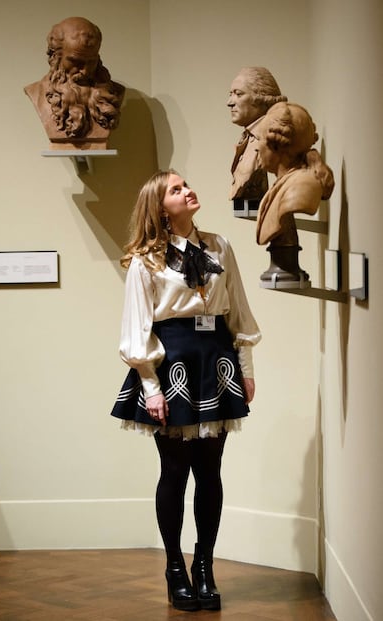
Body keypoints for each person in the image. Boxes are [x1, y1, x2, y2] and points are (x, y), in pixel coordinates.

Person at [111, 170, 261, 611]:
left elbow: (239, 309)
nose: (188, 191)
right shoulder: (145, 261)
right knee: (175, 472)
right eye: (176, 189)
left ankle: (205, 568)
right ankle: (175, 569)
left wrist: (245, 366)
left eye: (186, 185)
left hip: (216, 359)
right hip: (171, 362)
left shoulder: (220, 246)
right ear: (161, 207)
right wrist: (152, 387)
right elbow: (136, 328)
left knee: (210, 472)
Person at [254, 102, 334, 285]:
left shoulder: (302, 186)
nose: (257, 147)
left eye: (260, 139)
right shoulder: (282, 184)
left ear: (277, 145)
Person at [24, 16, 124, 147]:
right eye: (75, 61)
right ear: (56, 56)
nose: (85, 71)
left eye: (91, 62)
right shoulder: (36, 92)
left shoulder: (114, 93)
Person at [227, 67, 287, 206]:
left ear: (261, 98)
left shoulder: (274, 140)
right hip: (249, 204)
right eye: (230, 94)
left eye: (238, 94)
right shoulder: (248, 138)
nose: (229, 102)